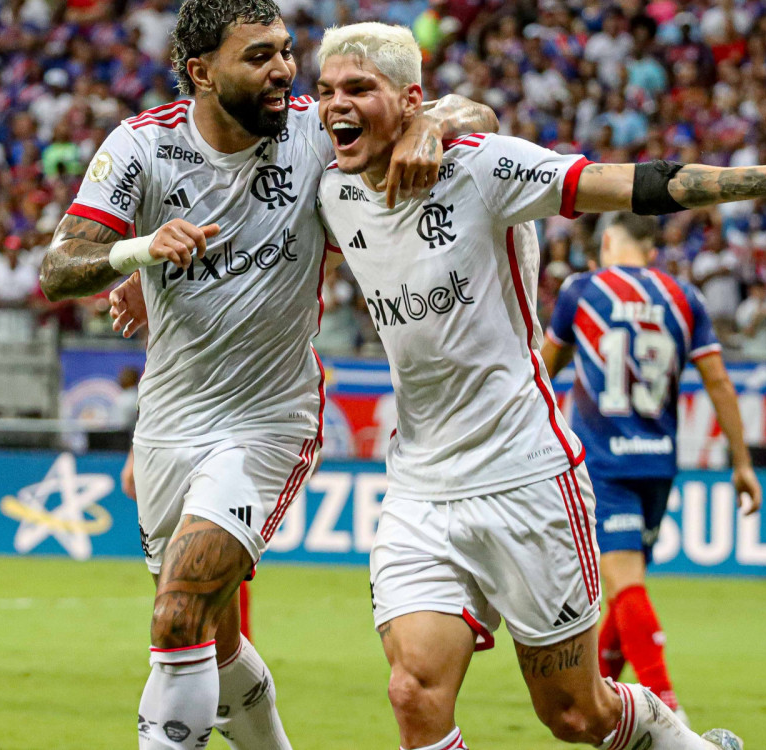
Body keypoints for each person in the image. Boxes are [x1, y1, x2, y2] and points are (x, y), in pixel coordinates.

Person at [312, 21, 766, 750]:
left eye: (358, 89)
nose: (334, 106)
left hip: (526, 478)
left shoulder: (484, 169)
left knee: (577, 716)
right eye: (323, 92)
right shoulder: (329, 187)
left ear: (408, 98)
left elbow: (631, 183)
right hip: (419, 488)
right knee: (412, 690)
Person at [38, 1, 497, 748]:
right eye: (259, 57)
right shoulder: (141, 148)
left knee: (178, 609)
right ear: (202, 72)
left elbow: (472, 109)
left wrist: (424, 126)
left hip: (268, 419)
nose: (285, 68)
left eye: (286, 51)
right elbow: (59, 269)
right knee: (210, 641)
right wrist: (140, 251)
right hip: (168, 423)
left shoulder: (317, 129)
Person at [539, 214, 762, 723]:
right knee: (623, 585)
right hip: (659, 464)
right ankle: (598, 698)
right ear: (651, 249)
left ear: (611, 240)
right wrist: (742, 463)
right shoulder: (685, 297)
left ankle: (668, 709)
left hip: (604, 461)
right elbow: (719, 383)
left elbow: (540, 372)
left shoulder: (584, 289)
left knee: (625, 586)